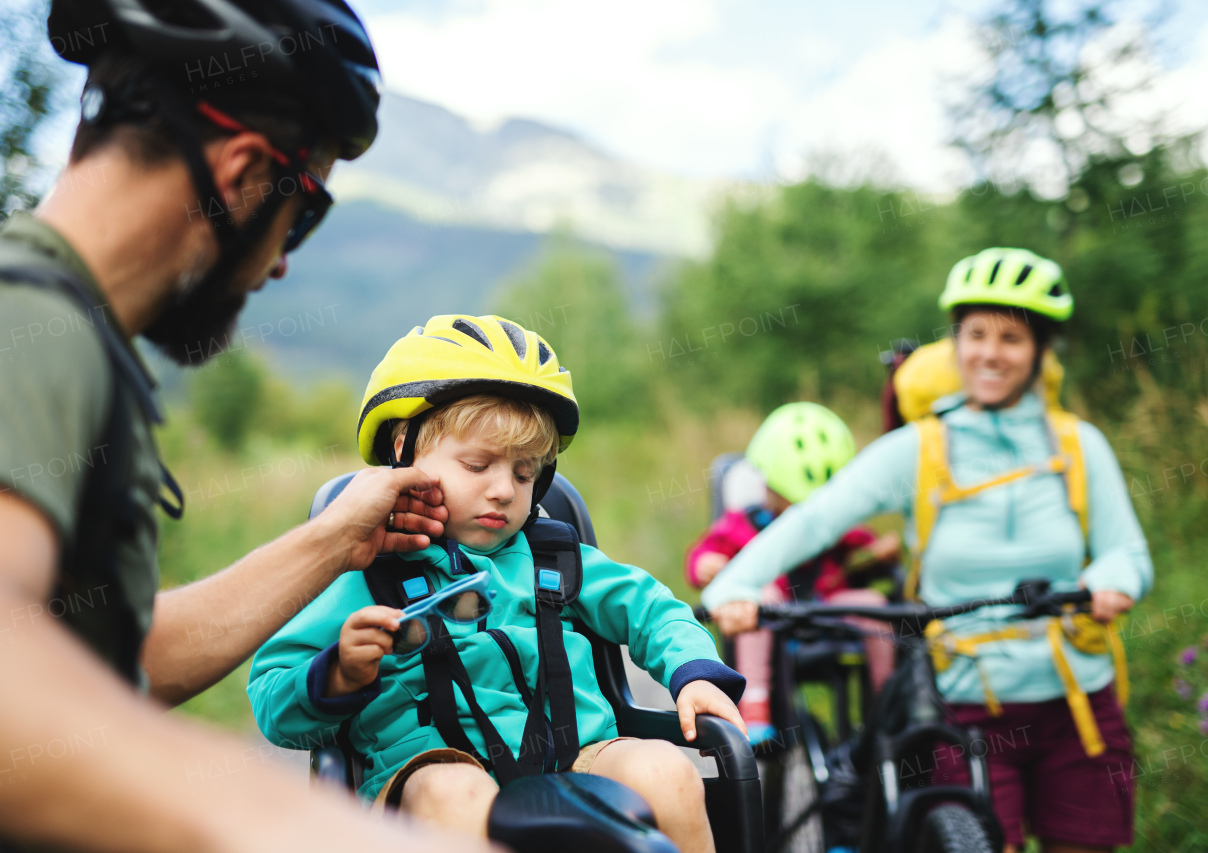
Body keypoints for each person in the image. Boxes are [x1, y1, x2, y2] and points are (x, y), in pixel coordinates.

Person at [0, 3, 485, 851]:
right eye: (303, 212)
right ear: (243, 174)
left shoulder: (71, 338)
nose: (285, 258)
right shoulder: (30, 325)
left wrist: (336, 539)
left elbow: (107, 665)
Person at [704, 248, 1153, 853]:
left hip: (1077, 704)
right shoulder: (920, 449)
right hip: (966, 707)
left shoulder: (1080, 446)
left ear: (1041, 351)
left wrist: (1112, 578)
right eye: (976, 334)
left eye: (1012, 338)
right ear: (955, 344)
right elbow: (813, 520)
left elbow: (1128, 552)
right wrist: (733, 585)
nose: (991, 352)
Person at [248, 315, 748, 853]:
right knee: (454, 794)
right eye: (476, 463)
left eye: (525, 472)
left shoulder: (558, 558)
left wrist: (693, 674)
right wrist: (340, 674)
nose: (504, 490)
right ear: (404, 450)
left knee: (665, 770)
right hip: (429, 766)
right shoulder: (365, 569)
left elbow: (654, 609)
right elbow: (274, 702)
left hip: (576, 751)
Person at [685, 402, 899, 742]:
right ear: (767, 486)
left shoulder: (836, 525)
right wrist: (707, 565)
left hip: (823, 605)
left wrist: (878, 553)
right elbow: (704, 551)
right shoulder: (744, 524)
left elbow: (861, 547)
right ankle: (755, 702)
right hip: (774, 615)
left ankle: (889, 704)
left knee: (873, 603)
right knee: (761, 594)